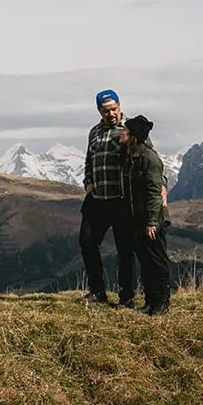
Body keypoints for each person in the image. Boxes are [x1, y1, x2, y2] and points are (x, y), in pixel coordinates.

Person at [81, 89, 138, 307]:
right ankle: (97, 291)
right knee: (87, 244)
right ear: (99, 111)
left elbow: (146, 157)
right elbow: (88, 160)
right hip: (97, 199)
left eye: (114, 109)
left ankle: (127, 297)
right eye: (106, 111)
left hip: (121, 200)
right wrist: (88, 182)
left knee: (125, 250)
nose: (111, 114)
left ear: (120, 106)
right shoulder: (94, 132)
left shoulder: (130, 129)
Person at [122, 114, 172, 316]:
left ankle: (161, 302)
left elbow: (154, 191)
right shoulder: (132, 156)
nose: (121, 136)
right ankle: (151, 301)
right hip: (139, 220)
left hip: (152, 221)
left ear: (134, 136)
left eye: (124, 133)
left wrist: (152, 222)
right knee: (146, 261)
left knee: (157, 262)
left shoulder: (149, 158)